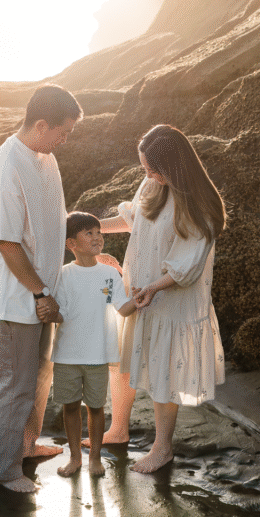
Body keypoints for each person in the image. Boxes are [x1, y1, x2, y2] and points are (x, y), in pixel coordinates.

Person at [95, 124, 227, 474]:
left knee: (161, 370)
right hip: (138, 293)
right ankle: (118, 429)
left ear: (176, 166)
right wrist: (86, 228)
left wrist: (154, 287)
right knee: (121, 361)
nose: (149, 176)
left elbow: (189, 266)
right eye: (145, 169)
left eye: (154, 169)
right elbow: (132, 221)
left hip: (170, 302)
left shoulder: (200, 206)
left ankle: (162, 448)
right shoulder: (153, 185)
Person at [0, 83, 83, 492]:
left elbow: (51, 221)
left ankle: (25, 447)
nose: (65, 139)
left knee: (40, 376)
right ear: (42, 124)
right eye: (63, 131)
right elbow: (7, 242)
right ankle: (3, 470)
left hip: (46, 293)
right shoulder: (6, 168)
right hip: (20, 297)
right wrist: (40, 293)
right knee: (11, 383)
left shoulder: (45, 157)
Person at [38, 211, 136, 478]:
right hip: (68, 354)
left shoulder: (109, 274)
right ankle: (74, 458)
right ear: (71, 243)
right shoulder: (63, 275)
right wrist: (49, 313)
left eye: (99, 232)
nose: (97, 238)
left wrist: (138, 300)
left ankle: (95, 457)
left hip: (98, 354)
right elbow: (62, 313)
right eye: (89, 233)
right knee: (70, 406)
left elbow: (122, 308)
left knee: (96, 407)